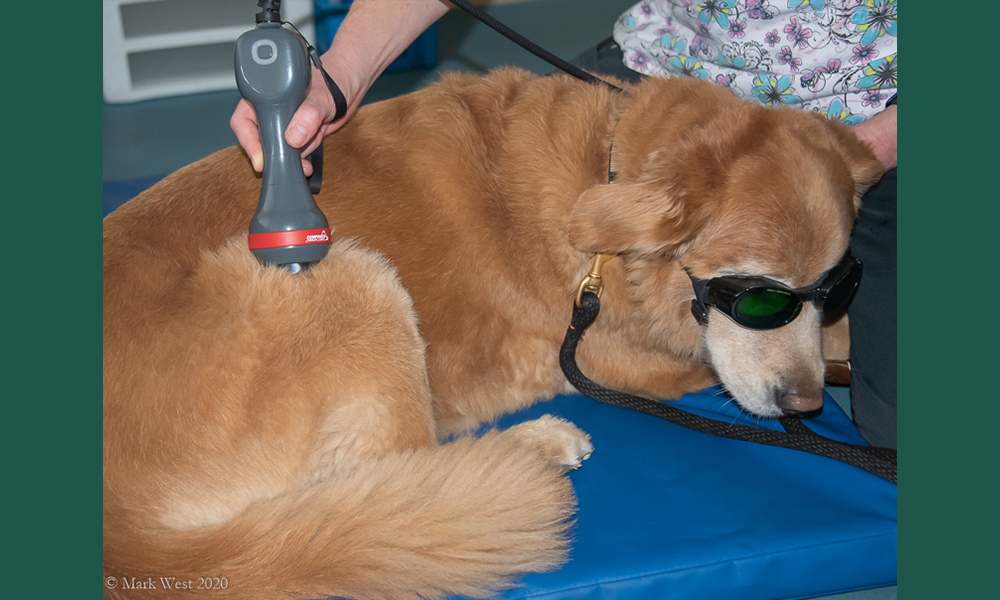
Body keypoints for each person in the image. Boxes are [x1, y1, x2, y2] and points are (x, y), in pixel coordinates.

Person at [231, 0, 897, 449]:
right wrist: (341, 75)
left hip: (873, 129)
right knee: (599, 317)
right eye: (762, 295)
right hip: (671, 78)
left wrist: (853, 160)